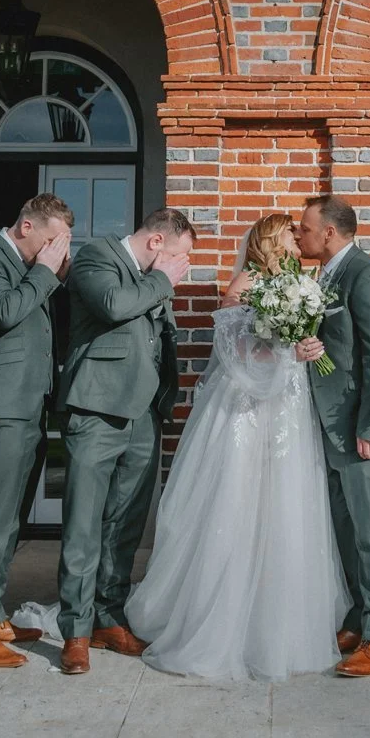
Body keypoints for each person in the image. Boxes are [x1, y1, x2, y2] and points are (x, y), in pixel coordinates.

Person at [127, 213, 349, 681]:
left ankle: (279, 626)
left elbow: (300, 343)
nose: (297, 238)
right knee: (238, 502)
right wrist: (282, 342)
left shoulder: (300, 282)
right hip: (246, 407)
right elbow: (233, 349)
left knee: (285, 507)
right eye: (291, 232)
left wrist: (307, 347)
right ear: (274, 237)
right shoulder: (247, 282)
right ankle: (222, 625)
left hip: (288, 405)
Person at [53, 207, 193, 675]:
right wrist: (163, 282)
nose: (182, 266)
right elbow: (112, 305)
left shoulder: (151, 276)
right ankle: (75, 628)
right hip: (96, 410)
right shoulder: (97, 257)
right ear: (156, 243)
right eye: (179, 256)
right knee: (84, 522)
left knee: (125, 524)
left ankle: (108, 617)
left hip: (142, 414)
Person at [0, 192, 74, 669]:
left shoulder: (29, 265)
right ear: (26, 226)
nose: (55, 252)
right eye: (51, 241)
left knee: (10, 520)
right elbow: (4, 312)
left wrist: (51, 274)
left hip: (27, 406)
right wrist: (45, 273)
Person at [295, 194, 370, 678]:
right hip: (334, 426)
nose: (299, 235)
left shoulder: (368, 276)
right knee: (347, 530)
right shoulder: (326, 275)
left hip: (367, 429)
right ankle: (362, 618)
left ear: (330, 233)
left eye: (304, 228)